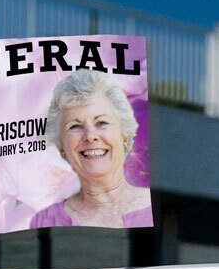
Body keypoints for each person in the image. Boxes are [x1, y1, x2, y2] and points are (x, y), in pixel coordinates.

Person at [31, 69, 153, 229]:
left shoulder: (161, 209)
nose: (90, 136)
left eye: (102, 122)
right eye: (75, 126)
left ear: (124, 135)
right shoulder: (45, 221)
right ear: (61, 145)